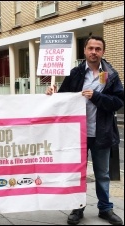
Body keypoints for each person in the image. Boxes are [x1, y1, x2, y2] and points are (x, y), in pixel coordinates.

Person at [46, 36, 124, 225]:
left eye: (98, 49)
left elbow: (119, 101)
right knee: (77, 173)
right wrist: (52, 93)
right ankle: (77, 207)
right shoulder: (75, 73)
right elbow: (63, 99)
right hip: (77, 133)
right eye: (91, 48)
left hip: (102, 132)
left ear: (102, 52)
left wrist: (97, 97)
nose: (94, 52)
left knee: (102, 174)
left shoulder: (111, 74)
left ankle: (105, 208)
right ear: (85, 51)